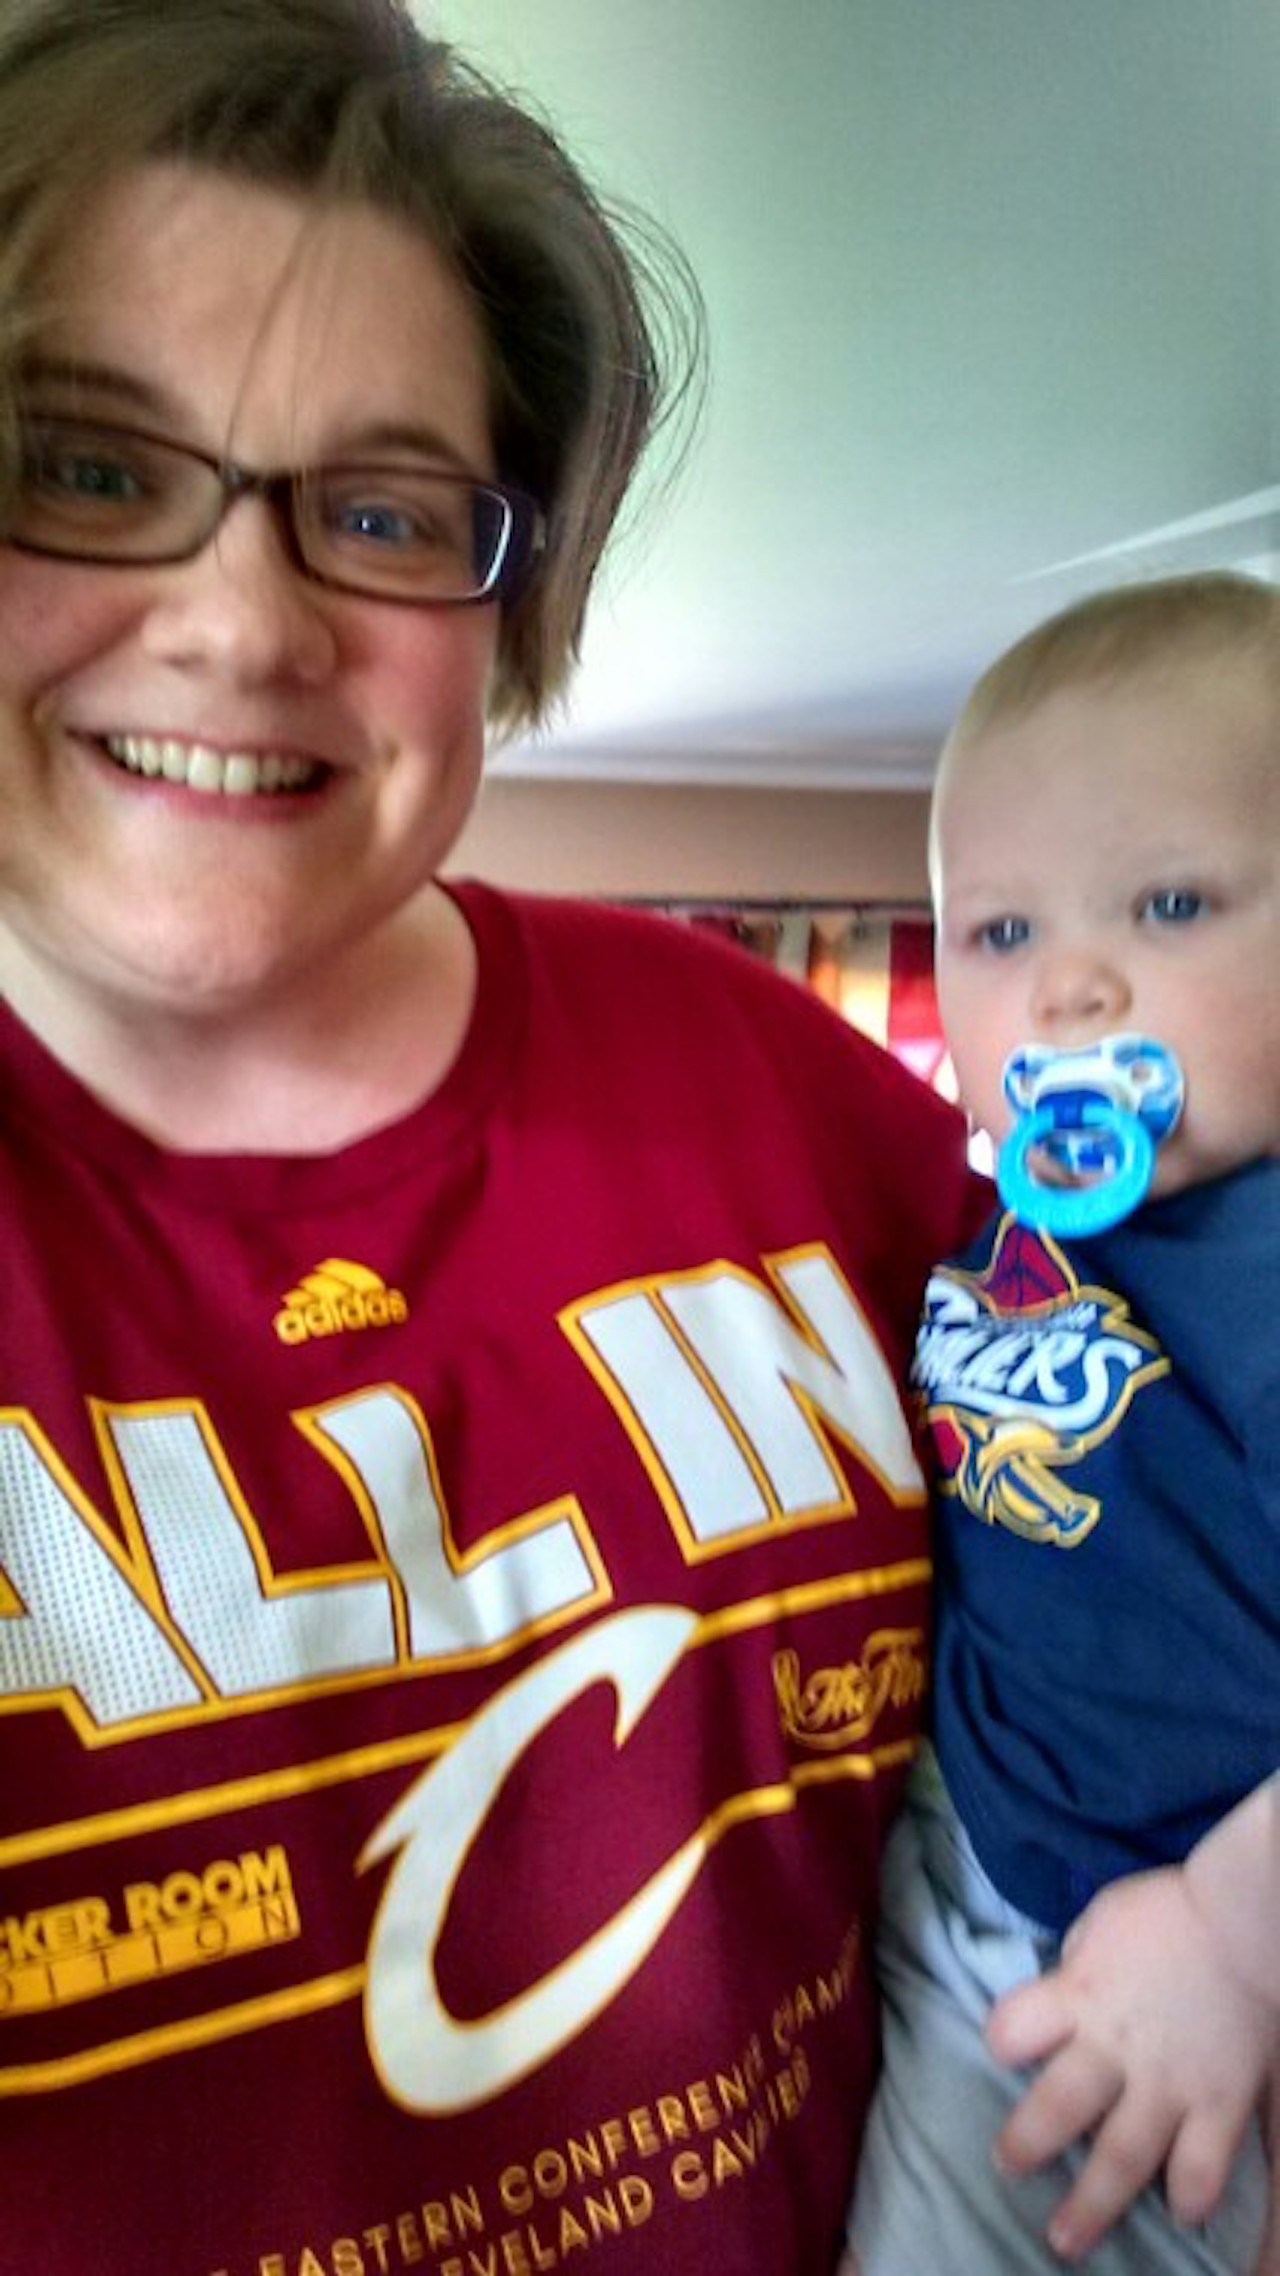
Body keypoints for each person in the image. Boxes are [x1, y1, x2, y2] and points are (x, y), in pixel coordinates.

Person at [0, 3, 979, 2271]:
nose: (245, 625)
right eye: (90, 463)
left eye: (378, 511)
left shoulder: (784, 1083)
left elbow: (1180, 1476)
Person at [844, 571, 1280, 2275]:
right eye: (1002, 933)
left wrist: (1236, 1943)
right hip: (971, 1877)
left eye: (1169, 904)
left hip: (1191, 1968)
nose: (1073, 992)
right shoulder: (1005, 1222)